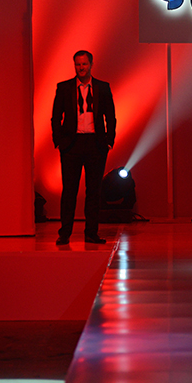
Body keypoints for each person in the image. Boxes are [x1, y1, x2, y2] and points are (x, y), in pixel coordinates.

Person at [51, 50, 116, 245]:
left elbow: (110, 116)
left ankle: (91, 233)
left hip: (95, 144)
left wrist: (108, 140)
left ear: (91, 65)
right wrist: (60, 142)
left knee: (93, 190)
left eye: (84, 64)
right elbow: (56, 117)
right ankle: (65, 233)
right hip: (72, 144)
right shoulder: (64, 88)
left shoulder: (102, 88)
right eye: (78, 64)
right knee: (69, 190)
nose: (81, 68)